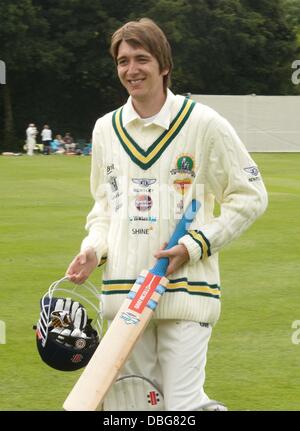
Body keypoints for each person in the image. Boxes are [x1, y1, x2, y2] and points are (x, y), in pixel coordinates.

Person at [66, 18, 268, 411]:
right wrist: (93, 249)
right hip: (125, 297)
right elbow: (106, 207)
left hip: (185, 291)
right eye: (123, 61)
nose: (131, 70)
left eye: (142, 58)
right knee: (132, 410)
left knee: (182, 407)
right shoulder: (106, 129)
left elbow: (250, 194)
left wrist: (195, 245)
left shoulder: (204, 123)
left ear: (163, 65)